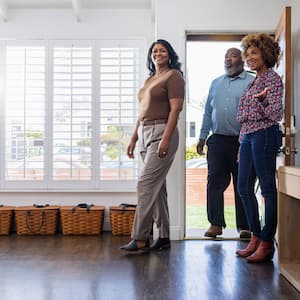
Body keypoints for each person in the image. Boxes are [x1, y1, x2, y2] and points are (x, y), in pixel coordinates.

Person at [120, 39, 185, 251]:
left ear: (169, 54)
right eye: (155, 51)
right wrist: (133, 137)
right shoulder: (150, 80)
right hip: (145, 132)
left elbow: (175, 109)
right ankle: (164, 236)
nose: (158, 53)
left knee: (145, 185)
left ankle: (140, 238)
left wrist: (166, 139)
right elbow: (142, 112)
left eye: (162, 50)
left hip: (162, 131)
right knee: (157, 188)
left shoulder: (173, 76)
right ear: (151, 55)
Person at [235, 33, 283, 263]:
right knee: (243, 187)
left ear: (266, 53)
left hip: (265, 134)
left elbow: (275, 115)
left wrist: (263, 101)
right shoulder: (253, 82)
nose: (249, 57)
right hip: (248, 136)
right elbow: (244, 118)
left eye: (254, 52)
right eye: (247, 54)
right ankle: (255, 236)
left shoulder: (272, 79)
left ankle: (266, 242)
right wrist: (241, 142)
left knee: (266, 189)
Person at [197, 48, 254, 239]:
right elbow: (207, 112)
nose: (228, 59)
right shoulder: (216, 83)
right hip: (218, 141)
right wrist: (202, 137)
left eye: (233, 55)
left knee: (242, 183)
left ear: (242, 60)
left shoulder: (251, 82)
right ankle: (215, 224)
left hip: (243, 141)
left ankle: (245, 226)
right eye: (226, 56)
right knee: (214, 182)